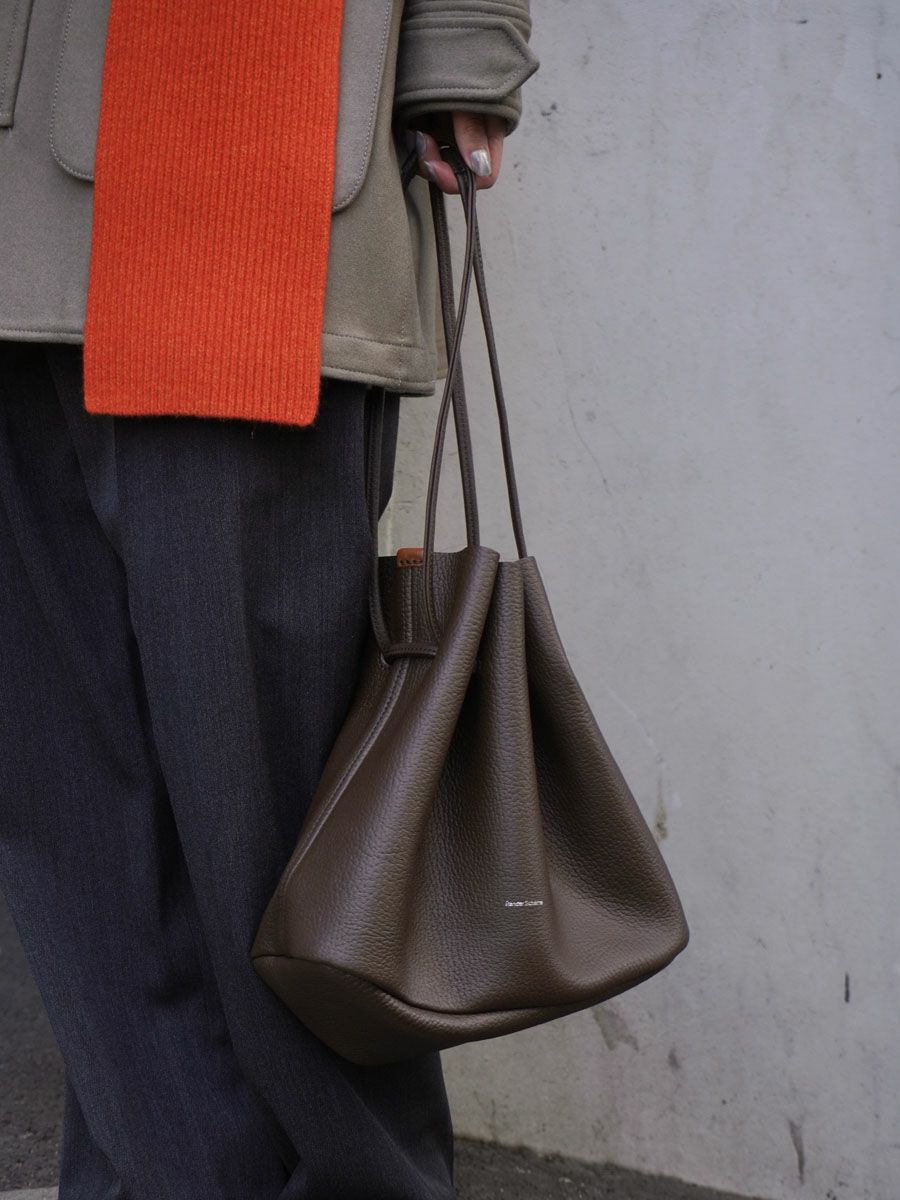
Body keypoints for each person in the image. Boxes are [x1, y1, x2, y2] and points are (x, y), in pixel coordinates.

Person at [0, 2, 538, 1198]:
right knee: (69, 809)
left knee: (279, 833)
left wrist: (463, 45)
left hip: (243, 144)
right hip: (17, 185)